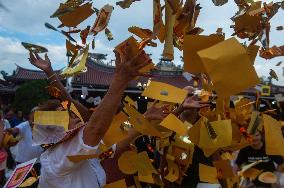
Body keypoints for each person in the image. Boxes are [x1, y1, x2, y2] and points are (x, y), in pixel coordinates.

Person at [27, 46, 159, 188]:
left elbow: (110, 150)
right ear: (54, 129)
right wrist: (121, 79)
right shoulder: (58, 158)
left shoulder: (82, 151)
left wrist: (145, 120)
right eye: (68, 116)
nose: (76, 117)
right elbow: (94, 126)